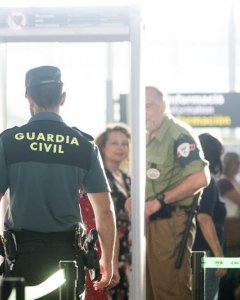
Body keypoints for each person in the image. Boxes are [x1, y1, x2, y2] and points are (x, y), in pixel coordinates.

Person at [0, 66, 116, 300]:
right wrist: (107, 259)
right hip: (67, 256)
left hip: (20, 257)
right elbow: (104, 210)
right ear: (63, 98)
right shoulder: (83, 146)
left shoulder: (9, 142)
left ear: (28, 97)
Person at [144, 86, 210, 300]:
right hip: (152, 224)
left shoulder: (177, 134)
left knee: (170, 291)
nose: (143, 112)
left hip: (171, 221)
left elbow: (201, 178)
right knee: (153, 292)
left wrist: (159, 201)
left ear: (163, 106)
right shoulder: (148, 137)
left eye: (148, 105)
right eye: (139, 107)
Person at [95, 123, 131, 300]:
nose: (120, 148)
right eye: (114, 143)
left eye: (124, 143)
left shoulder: (127, 179)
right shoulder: (100, 177)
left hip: (128, 249)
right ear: (103, 146)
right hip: (108, 247)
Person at [193, 133, 227, 300]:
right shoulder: (207, 180)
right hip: (206, 253)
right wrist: (219, 256)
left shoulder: (191, 178)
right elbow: (204, 218)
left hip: (195, 251)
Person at [218, 152, 240, 300]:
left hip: (235, 229)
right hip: (230, 229)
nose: (238, 166)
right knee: (232, 266)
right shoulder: (224, 182)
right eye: (236, 163)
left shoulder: (234, 181)